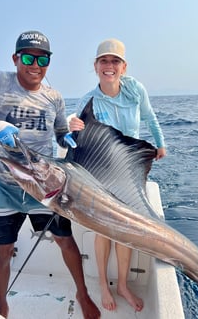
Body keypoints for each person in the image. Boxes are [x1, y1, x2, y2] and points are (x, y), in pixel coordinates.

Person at [0, 30, 101, 319]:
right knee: (2, 251)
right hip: (6, 185)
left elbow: (58, 133)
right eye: (29, 57)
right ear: (15, 58)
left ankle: (82, 293)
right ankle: (2, 306)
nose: (36, 64)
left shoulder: (53, 96)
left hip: (44, 189)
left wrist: (65, 138)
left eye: (43, 58)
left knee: (65, 241)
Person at [69, 38, 166, 312]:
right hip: (100, 174)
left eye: (115, 61)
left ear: (124, 67)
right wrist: (68, 129)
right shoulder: (87, 101)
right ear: (96, 66)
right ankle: (103, 284)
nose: (109, 66)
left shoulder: (135, 89)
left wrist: (160, 143)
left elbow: (150, 117)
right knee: (104, 231)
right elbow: (69, 145)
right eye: (104, 61)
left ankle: (123, 284)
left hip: (129, 171)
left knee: (125, 231)